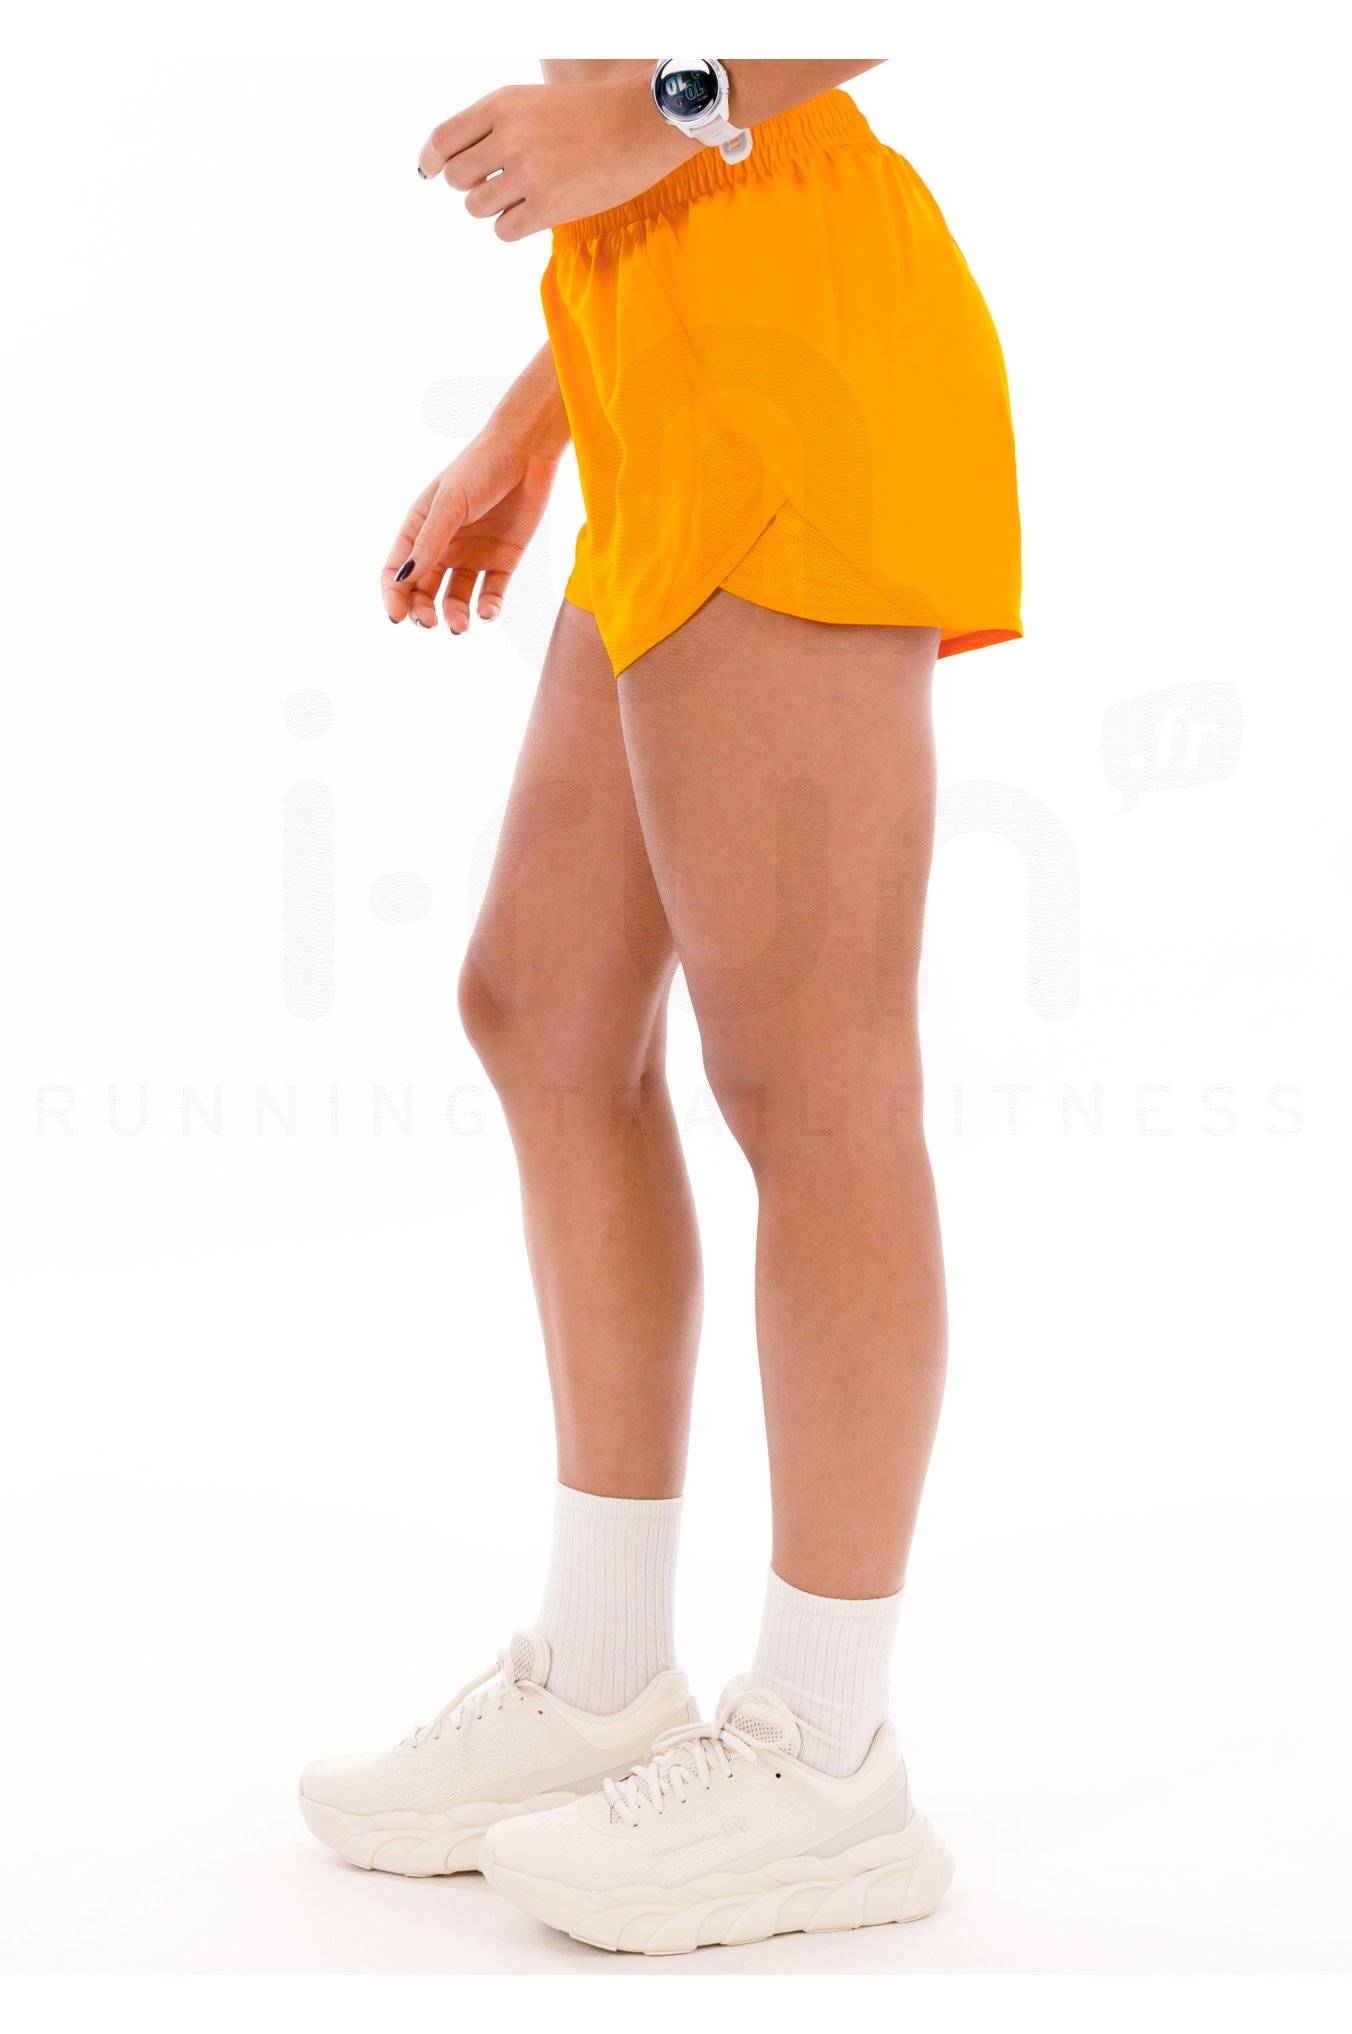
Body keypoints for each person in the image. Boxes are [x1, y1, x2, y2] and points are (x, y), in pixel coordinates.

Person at [300, 58, 1020, 1956]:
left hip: (795, 344)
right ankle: (606, 1675)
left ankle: (828, 1756)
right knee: (541, 1009)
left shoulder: (691, 127)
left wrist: (659, 103)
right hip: (656, 339)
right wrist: (530, 421)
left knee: (810, 1077)